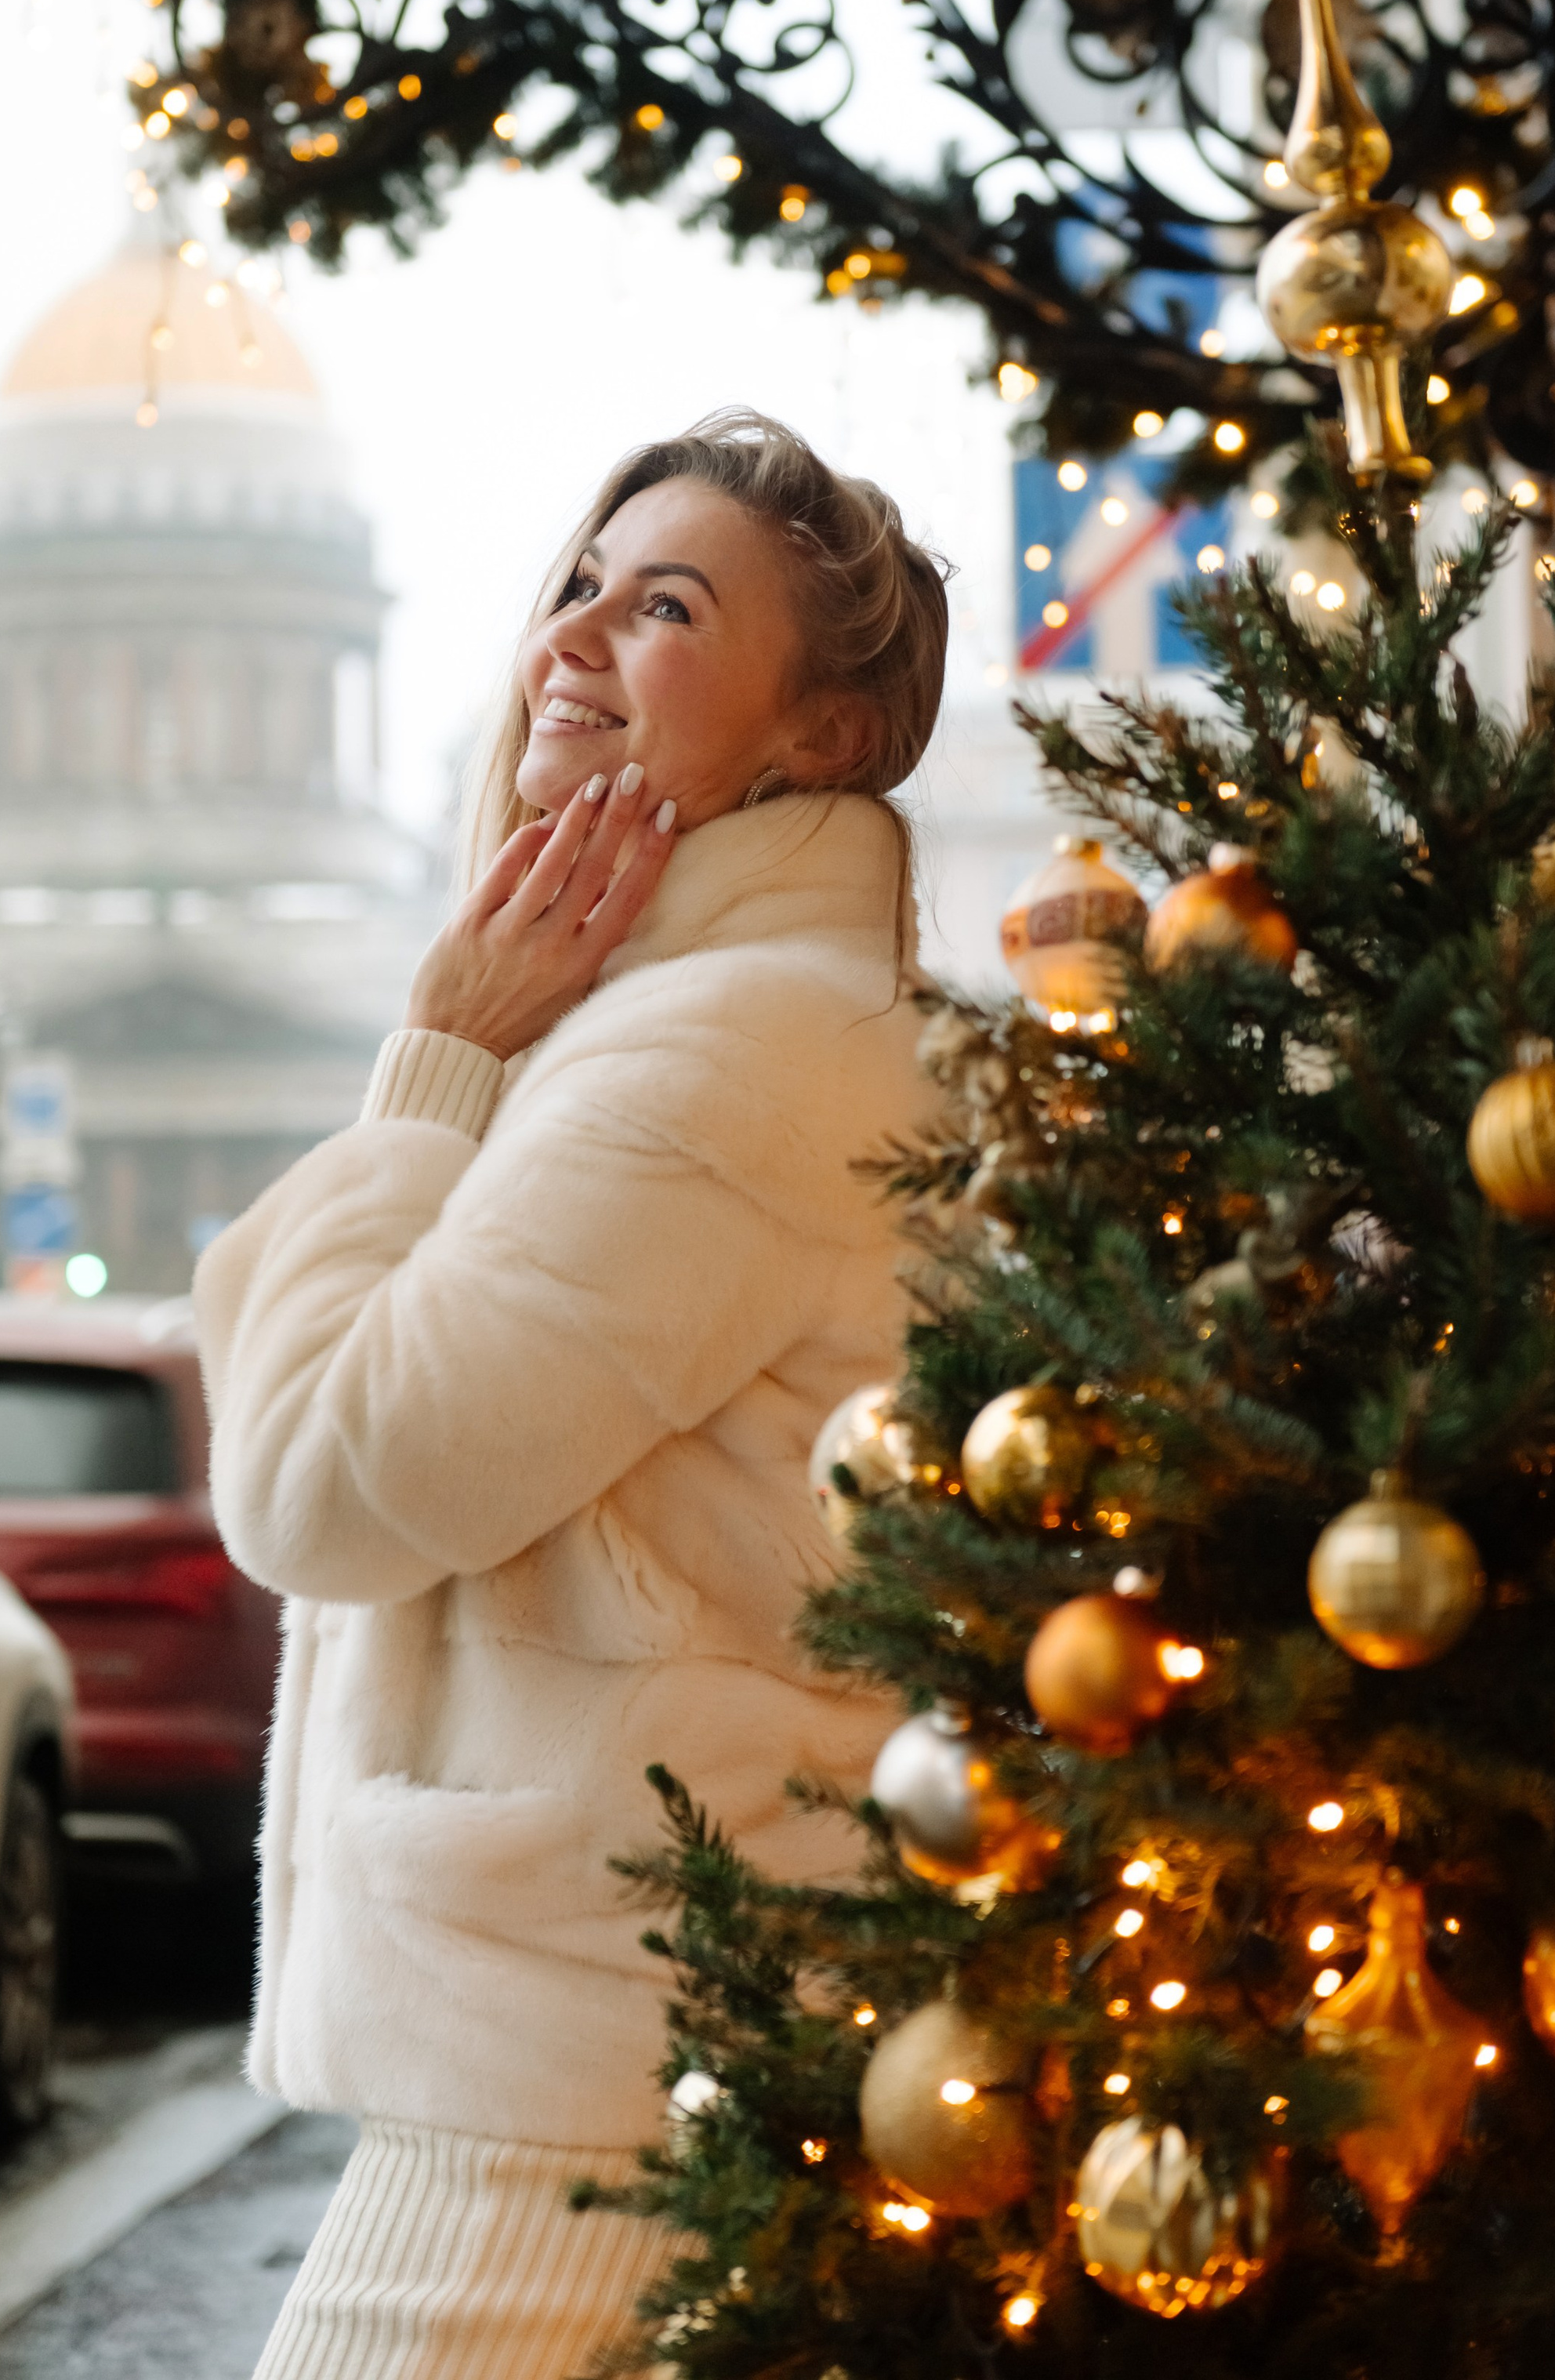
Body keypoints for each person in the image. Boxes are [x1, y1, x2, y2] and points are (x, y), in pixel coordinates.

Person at [196, 410, 950, 2380]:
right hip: (668, 2013)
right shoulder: (716, 1027)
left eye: (667, 606)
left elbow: (319, 1485)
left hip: (591, 2066)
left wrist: (435, 1056)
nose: (576, 636)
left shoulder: (706, 1065)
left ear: (822, 741)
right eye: (572, 590)